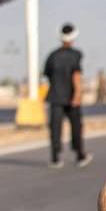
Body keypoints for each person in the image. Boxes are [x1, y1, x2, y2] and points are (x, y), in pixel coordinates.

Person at [44, 23, 91, 169]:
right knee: (76, 127)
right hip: (71, 98)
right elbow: (76, 75)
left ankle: (55, 158)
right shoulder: (76, 55)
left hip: (55, 96)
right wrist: (77, 94)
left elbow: (48, 75)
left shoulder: (52, 55)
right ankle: (80, 155)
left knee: (55, 127)